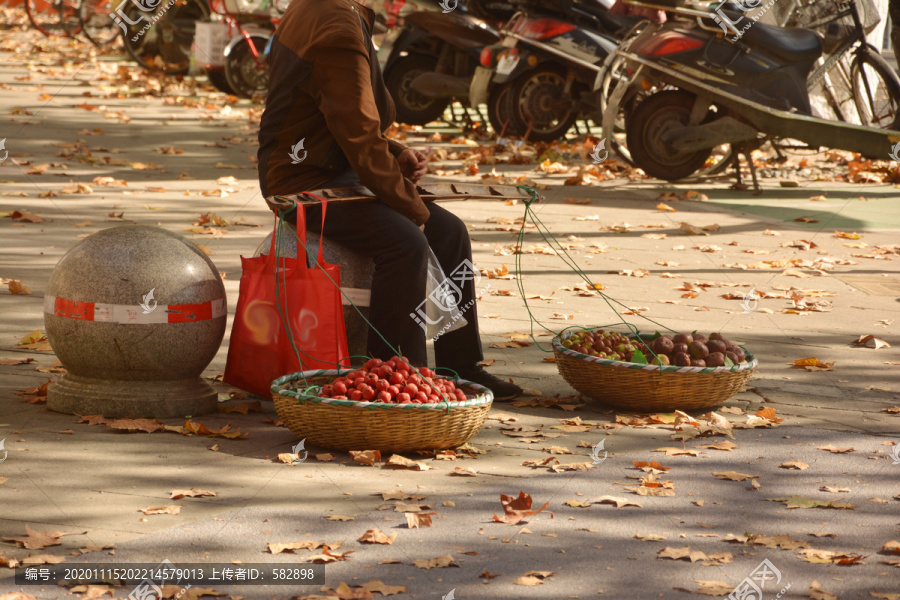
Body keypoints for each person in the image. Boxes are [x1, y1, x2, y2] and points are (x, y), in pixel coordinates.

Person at [256, 0, 522, 400]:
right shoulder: (335, 25)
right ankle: (394, 378)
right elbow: (357, 132)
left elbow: (342, 117)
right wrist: (409, 206)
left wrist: (394, 153)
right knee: (406, 243)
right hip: (300, 181)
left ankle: (461, 366)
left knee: (449, 232)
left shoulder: (339, 13)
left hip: (336, 168)